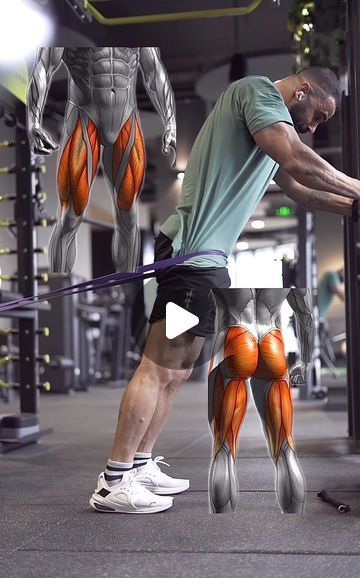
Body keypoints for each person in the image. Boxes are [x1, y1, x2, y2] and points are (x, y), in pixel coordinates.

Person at [90, 67, 360, 514]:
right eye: (319, 114)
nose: (315, 126)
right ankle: (113, 480)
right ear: (303, 90)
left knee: (178, 372)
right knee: (159, 367)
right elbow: (297, 159)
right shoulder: (256, 93)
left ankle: (138, 465)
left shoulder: (271, 133)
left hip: (206, 261)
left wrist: (351, 206)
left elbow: (303, 191)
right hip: (191, 254)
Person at [27, 47, 176, 273]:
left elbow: (154, 71)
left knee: (130, 217)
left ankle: (128, 294)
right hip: (84, 114)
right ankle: (61, 299)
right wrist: (33, 122)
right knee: (69, 218)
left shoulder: (131, 23)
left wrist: (171, 122)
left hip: (126, 115)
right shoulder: (73, 22)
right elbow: (43, 66)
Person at [208, 288, 314, 514]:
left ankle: (220, 528)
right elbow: (305, 314)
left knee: (223, 447)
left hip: (233, 338)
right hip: (272, 341)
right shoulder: (286, 275)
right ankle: (294, 522)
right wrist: (304, 361)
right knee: (285, 444)